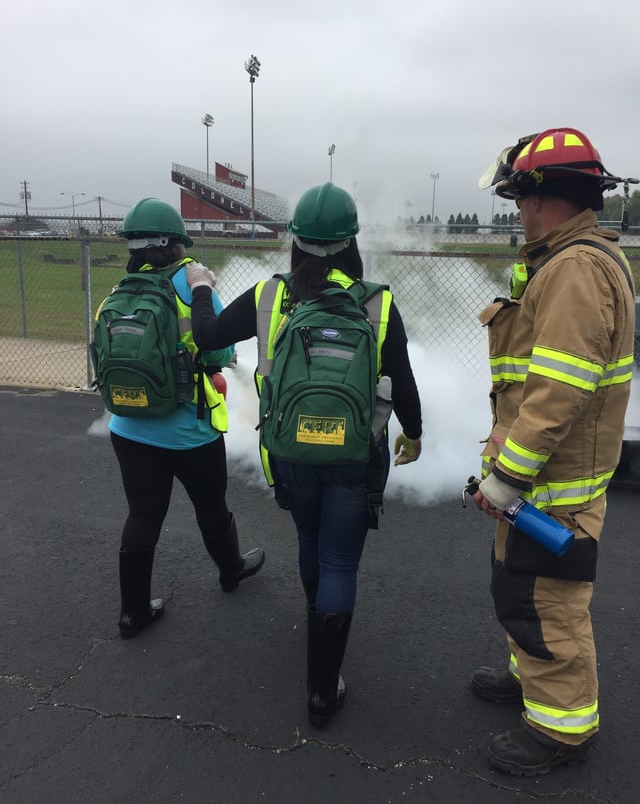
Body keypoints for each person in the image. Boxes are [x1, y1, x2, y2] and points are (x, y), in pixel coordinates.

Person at [186, 183, 422, 727]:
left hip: (290, 455)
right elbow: (403, 386)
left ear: (295, 241)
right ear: (351, 243)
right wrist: (414, 432)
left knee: (311, 544)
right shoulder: (378, 301)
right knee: (342, 560)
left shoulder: (270, 296)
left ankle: (317, 626)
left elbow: (207, 336)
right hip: (356, 458)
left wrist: (201, 285)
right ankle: (322, 690)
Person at [472, 128, 636, 775]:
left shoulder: (573, 269)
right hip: (541, 483)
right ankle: (532, 683)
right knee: (524, 595)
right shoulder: (573, 261)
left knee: (549, 605)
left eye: (519, 199)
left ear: (543, 199)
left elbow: (557, 391)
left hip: (549, 487)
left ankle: (560, 731)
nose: (517, 212)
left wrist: (506, 476)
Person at [100, 198, 265, 639]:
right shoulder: (192, 286)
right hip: (188, 431)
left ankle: (133, 613)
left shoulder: (119, 291)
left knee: (142, 514)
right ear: (176, 244)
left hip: (128, 428)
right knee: (210, 507)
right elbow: (217, 350)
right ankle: (231, 572)